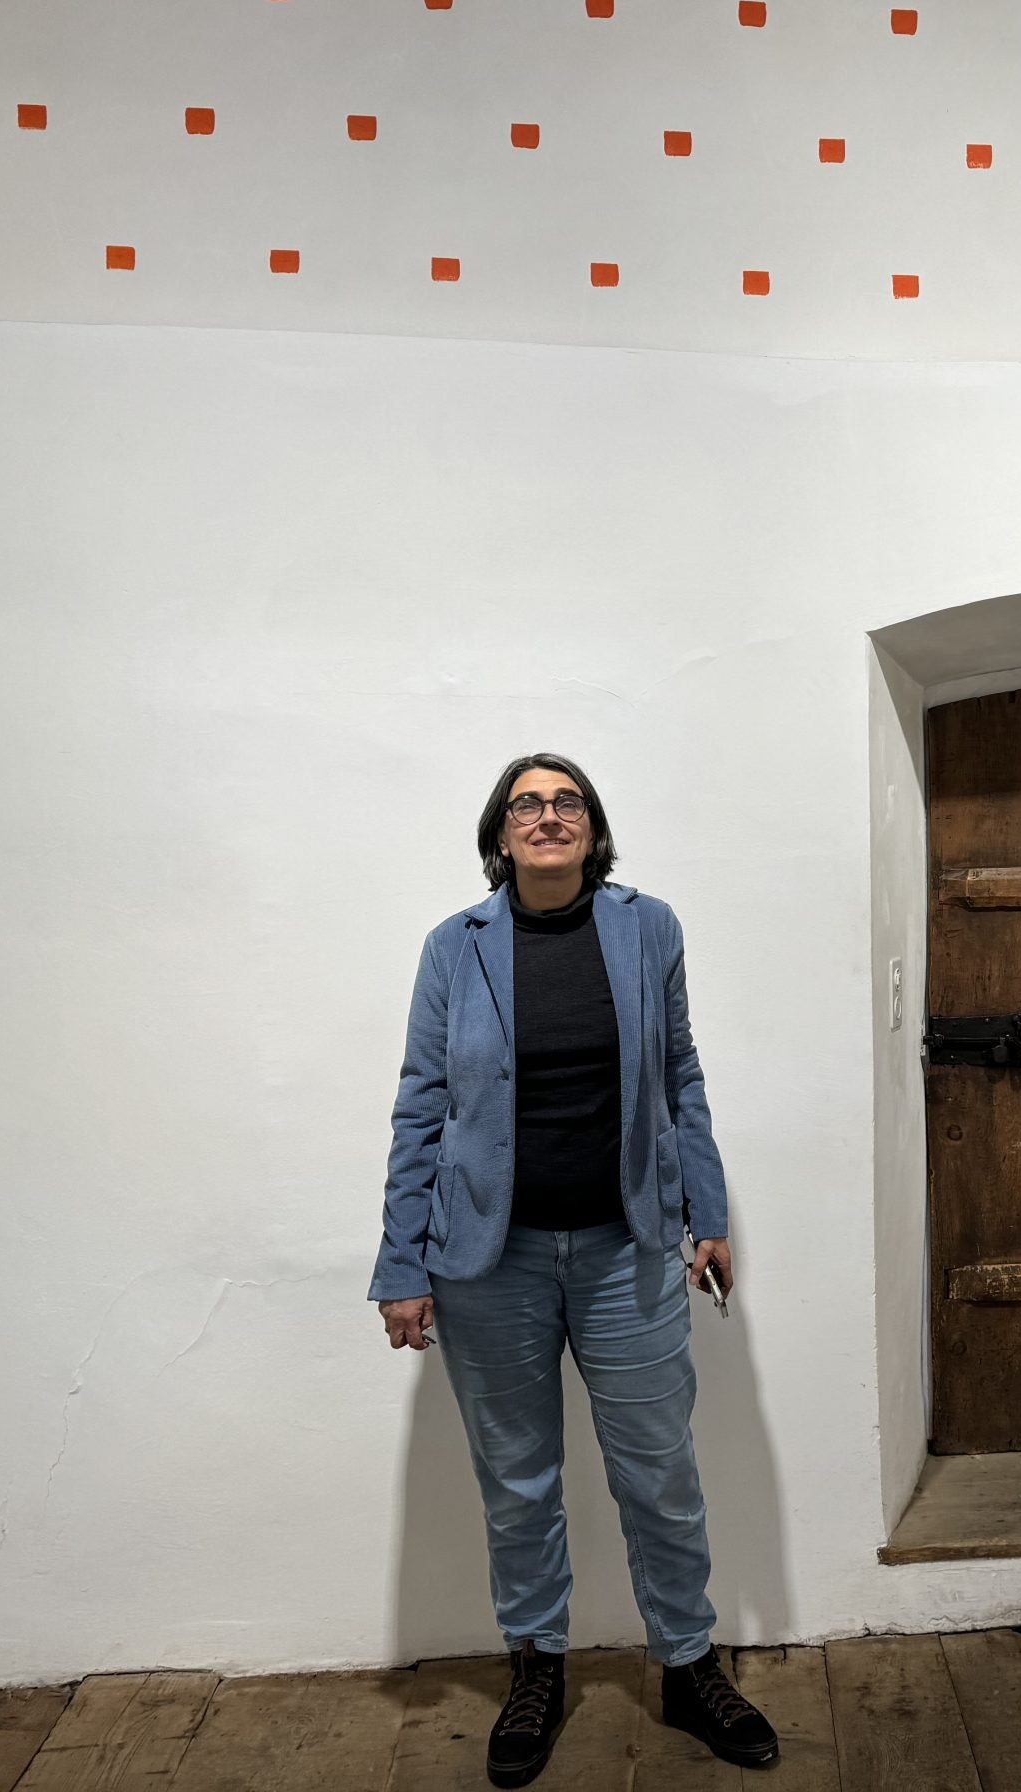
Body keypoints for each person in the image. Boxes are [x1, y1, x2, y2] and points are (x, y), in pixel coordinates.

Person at [371, 753, 777, 1787]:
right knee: (517, 1483)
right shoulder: (451, 949)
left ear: (593, 829)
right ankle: (535, 1667)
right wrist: (401, 1264)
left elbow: (680, 1074)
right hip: (486, 1262)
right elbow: (422, 1104)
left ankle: (688, 1665)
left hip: (625, 1249)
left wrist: (706, 1205)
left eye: (567, 803)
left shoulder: (649, 929)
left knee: (661, 1473)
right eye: (527, 805)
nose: (548, 818)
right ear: (499, 836)